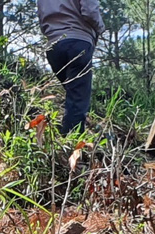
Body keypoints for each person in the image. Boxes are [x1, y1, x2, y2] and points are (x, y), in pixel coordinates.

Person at [38, 0, 102, 135]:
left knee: (73, 95)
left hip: (53, 46)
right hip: (79, 41)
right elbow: (90, 12)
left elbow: (41, 17)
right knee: (77, 98)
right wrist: (100, 28)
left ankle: (65, 136)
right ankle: (72, 143)